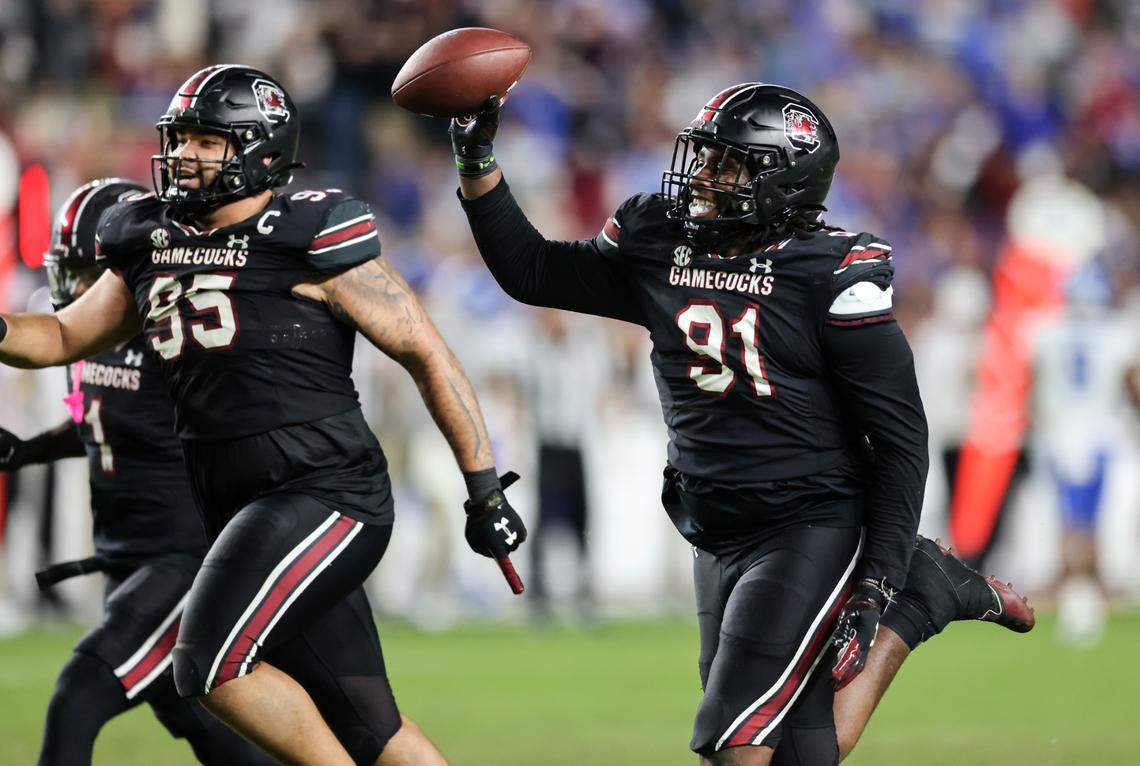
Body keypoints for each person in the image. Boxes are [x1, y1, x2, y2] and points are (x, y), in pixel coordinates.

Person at [450, 83, 1033, 765]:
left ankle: (910, 590)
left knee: (736, 745)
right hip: (713, 521)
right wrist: (476, 159)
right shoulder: (659, 237)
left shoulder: (830, 276)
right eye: (701, 158)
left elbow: (902, 441)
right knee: (797, 750)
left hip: (810, 519)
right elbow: (533, 271)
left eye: (724, 165)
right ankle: (924, 600)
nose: (700, 178)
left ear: (783, 181)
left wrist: (874, 581)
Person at [0, 65, 526, 766]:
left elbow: (425, 352)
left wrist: (483, 485)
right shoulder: (150, 237)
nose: (183, 155)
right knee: (374, 729)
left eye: (205, 140)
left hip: (326, 493)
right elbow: (61, 336)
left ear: (259, 148)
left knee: (207, 666)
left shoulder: (308, 228)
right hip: (241, 505)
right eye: (179, 138)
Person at [0, 177, 275, 766]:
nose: (71, 288)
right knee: (201, 721)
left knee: (79, 694)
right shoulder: (84, 343)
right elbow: (99, 420)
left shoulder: (169, 332)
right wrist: (29, 451)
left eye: (83, 274)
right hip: (127, 560)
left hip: (180, 559)